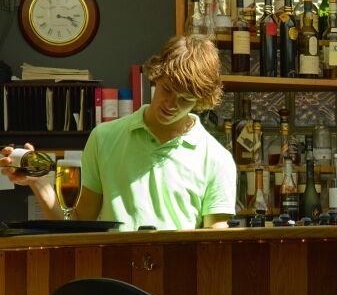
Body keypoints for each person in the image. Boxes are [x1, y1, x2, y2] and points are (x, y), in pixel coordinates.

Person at [1, 35, 236, 231]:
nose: (171, 104)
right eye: (167, 90)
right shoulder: (103, 138)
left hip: (178, 272)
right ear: (156, 76)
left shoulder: (217, 158)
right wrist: (40, 184)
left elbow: (214, 246)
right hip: (114, 272)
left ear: (201, 101)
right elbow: (77, 225)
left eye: (185, 100)